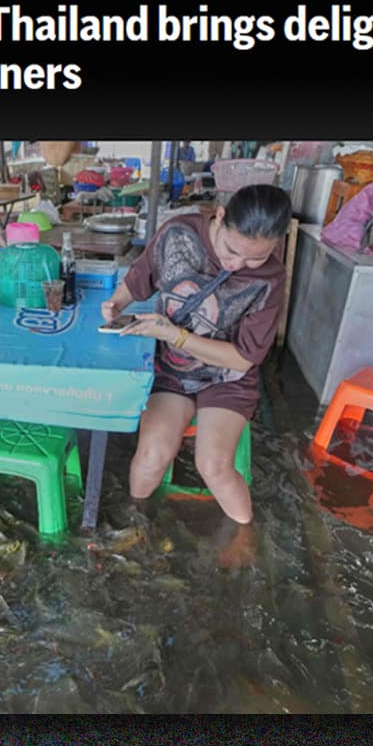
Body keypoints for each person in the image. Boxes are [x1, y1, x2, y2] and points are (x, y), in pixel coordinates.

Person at [100, 183, 292, 525]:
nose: (238, 265)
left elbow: (243, 359)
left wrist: (176, 335)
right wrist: (117, 303)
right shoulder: (179, 234)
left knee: (213, 465)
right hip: (173, 371)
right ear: (220, 217)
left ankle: (244, 544)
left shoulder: (271, 280)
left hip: (226, 378)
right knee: (151, 455)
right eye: (233, 251)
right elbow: (141, 277)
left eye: (256, 257)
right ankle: (136, 525)